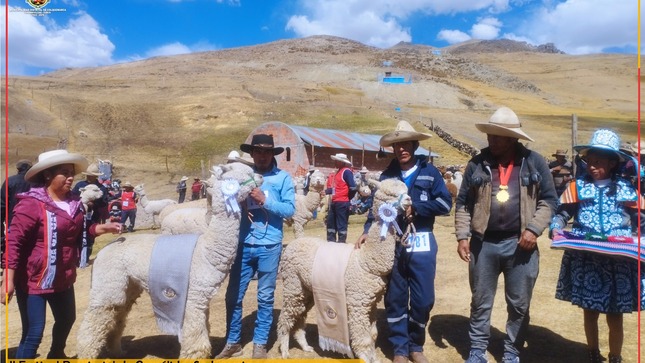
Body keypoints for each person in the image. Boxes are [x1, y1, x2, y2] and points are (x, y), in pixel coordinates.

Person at [455, 107, 558, 363]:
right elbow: (463, 204)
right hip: (483, 244)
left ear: (513, 139)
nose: (491, 139)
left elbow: (549, 201)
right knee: (480, 301)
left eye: (498, 136)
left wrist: (534, 229)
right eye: (490, 134)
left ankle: (512, 351)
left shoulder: (535, 162)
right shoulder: (476, 164)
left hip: (521, 245)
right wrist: (462, 236)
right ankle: (478, 351)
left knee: (519, 304)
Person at [1, 149, 121, 359]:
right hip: (33, 279)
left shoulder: (74, 203)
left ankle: (56, 354)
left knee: (67, 320)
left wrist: (100, 229)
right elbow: (14, 241)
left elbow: (79, 232)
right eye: (64, 173)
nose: (70, 178)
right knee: (33, 333)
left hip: (62, 276)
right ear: (47, 175)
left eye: (71, 173)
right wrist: (7, 279)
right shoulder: (31, 203)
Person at [356, 120, 452, 363]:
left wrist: (417, 208)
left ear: (415, 144)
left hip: (422, 241)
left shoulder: (431, 174)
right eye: (397, 145)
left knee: (423, 299)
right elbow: (376, 208)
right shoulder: (388, 175)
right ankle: (400, 348)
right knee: (395, 296)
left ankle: (415, 345)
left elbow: (445, 204)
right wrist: (368, 229)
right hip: (393, 242)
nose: (402, 149)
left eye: (406, 143)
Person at [549, 129, 644, 363]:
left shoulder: (626, 189)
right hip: (587, 258)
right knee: (589, 310)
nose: (592, 166)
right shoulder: (577, 187)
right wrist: (556, 226)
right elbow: (563, 214)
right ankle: (592, 353)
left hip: (618, 260)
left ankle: (615, 357)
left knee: (615, 314)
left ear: (612, 163)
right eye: (589, 161)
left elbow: (640, 220)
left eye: (598, 161)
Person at [217, 134, 295, 360]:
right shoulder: (242, 177)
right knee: (233, 296)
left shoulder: (283, 178)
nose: (262, 155)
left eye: (267, 151)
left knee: (265, 297)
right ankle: (233, 342)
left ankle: (260, 343)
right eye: (258, 151)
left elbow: (290, 211)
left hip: (269, 246)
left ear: (273, 154)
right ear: (251, 153)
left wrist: (264, 200)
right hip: (242, 244)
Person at [1, 160, 32, 272]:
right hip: (32, 222)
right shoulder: (36, 182)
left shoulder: (10, 181)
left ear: (18, 169)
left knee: (12, 247)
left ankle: (10, 272)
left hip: (12, 222)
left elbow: (2, 204)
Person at [325, 153, 357, 243]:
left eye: (336, 161)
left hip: (342, 202)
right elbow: (336, 188)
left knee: (341, 224)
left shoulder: (346, 172)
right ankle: (331, 241)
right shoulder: (338, 172)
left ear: (341, 162)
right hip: (334, 202)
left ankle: (341, 242)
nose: (334, 162)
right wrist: (327, 192)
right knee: (331, 222)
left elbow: (353, 188)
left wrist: (347, 198)